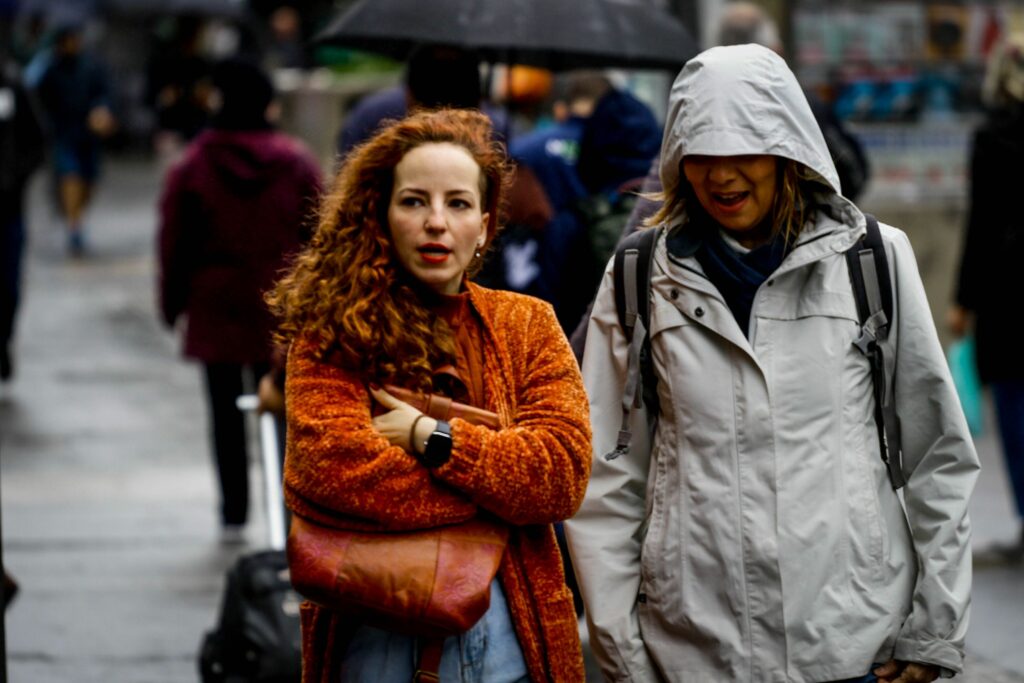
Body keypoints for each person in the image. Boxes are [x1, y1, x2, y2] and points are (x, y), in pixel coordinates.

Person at [565, 44, 979, 683]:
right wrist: (623, 651)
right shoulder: (639, 276)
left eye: (744, 150)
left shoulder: (871, 259)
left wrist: (933, 628)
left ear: (789, 150)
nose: (721, 175)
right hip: (694, 654)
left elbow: (937, 454)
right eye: (701, 153)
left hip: (852, 645)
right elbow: (606, 477)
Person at [266, 108, 590, 682]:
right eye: (414, 201)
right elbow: (331, 473)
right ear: (382, 216)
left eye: (458, 204)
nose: (436, 222)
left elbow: (559, 475)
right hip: (375, 646)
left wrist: (432, 438)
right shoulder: (332, 334)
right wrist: (501, 493)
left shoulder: (528, 324)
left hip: (513, 651)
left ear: (486, 226)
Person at [157, 58, 322, 542]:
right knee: (290, 415)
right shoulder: (296, 162)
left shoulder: (192, 165)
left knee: (225, 416)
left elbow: (174, 243)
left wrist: (172, 304)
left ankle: (233, 513)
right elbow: (321, 239)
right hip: (283, 314)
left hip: (216, 310)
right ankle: (293, 511)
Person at [950, 31, 1024, 564]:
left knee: (1017, 411)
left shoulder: (991, 137)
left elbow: (981, 225)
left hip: (1007, 294)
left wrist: (962, 301)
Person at [33, 21, 116, 256]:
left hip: (88, 135)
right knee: (71, 177)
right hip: (64, 134)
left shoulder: (92, 66)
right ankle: (74, 227)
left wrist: (102, 111)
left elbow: (105, 93)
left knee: (89, 183)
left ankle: (75, 218)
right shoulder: (49, 67)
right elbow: (36, 97)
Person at [0, 33, 46, 381]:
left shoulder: (12, 85)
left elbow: (38, 140)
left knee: (8, 286)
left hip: (8, 209)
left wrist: (15, 177)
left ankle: (3, 340)